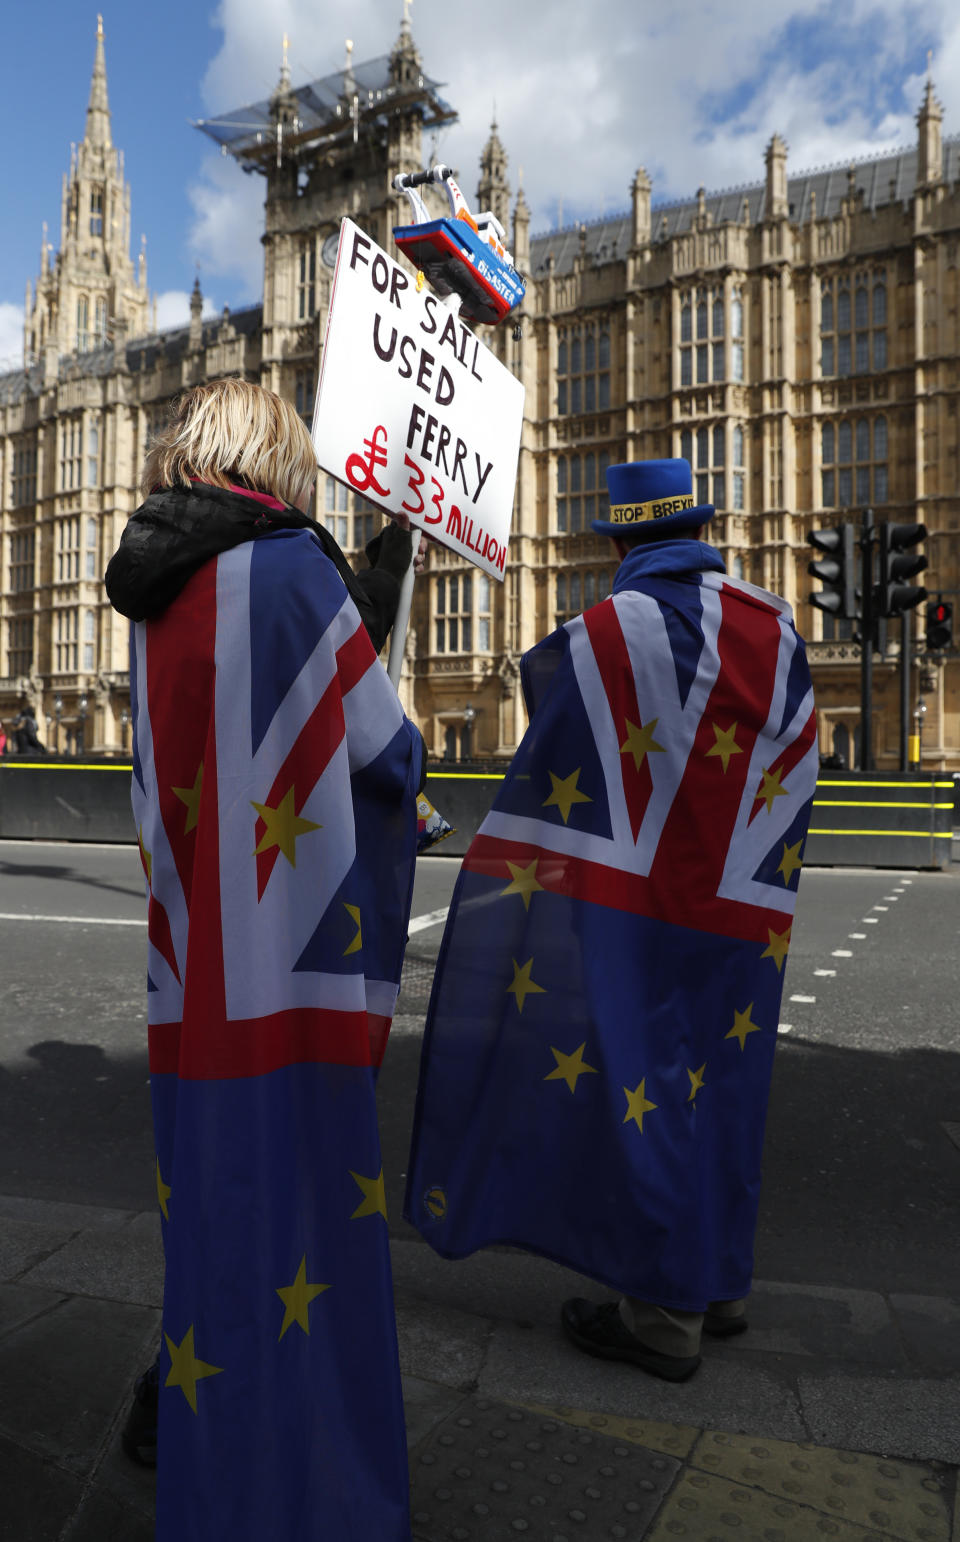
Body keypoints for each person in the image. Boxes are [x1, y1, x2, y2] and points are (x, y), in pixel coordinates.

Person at [404, 457, 818, 1382]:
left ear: (623, 540)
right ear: (701, 531)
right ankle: (718, 1283)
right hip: (750, 901)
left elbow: (550, 700)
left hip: (650, 896)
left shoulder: (610, 625)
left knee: (650, 1076)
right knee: (726, 1078)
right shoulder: (778, 624)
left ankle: (665, 1316)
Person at [105, 379, 422, 1540]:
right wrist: (370, 602)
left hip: (191, 960)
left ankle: (190, 1410)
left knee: (213, 1200)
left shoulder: (153, 597)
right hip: (287, 966)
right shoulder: (291, 572)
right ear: (275, 459)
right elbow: (382, 753)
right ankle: (288, 1476)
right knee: (299, 1219)